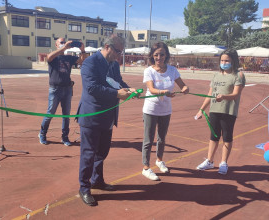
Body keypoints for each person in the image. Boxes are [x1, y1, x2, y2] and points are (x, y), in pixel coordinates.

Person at [76, 34, 138, 206]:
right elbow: (92, 87)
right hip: (91, 116)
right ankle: (84, 187)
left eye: (121, 52)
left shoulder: (113, 65)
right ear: (107, 46)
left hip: (108, 115)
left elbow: (117, 82)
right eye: (117, 51)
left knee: (102, 152)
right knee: (88, 154)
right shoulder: (90, 62)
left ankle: (97, 180)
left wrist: (128, 89)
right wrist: (117, 93)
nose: (119, 55)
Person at [141, 42, 189, 181]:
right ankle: (145, 167)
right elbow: (151, 89)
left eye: (162, 54)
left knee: (162, 138)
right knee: (148, 139)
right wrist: (164, 92)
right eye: (156, 55)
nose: (159, 57)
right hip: (151, 109)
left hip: (166, 110)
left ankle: (159, 160)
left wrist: (185, 88)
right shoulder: (149, 71)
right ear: (152, 56)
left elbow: (182, 85)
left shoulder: (172, 70)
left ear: (166, 55)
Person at [195, 49, 245, 175]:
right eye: (222, 60)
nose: (224, 62)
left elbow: (235, 95)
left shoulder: (238, 75)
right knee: (214, 136)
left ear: (233, 61)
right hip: (214, 110)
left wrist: (223, 96)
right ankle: (210, 161)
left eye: (227, 60)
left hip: (228, 111)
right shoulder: (216, 75)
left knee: (227, 137)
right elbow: (210, 94)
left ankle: (223, 162)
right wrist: (201, 110)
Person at [38, 38, 88, 146]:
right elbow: (49, 57)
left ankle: (65, 137)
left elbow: (83, 60)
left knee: (66, 115)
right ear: (56, 45)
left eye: (64, 42)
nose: (63, 44)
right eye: (61, 42)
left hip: (67, 89)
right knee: (50, 113)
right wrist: (64, 48)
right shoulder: (53, 57)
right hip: (55, 89)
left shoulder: (69, 58)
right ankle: (42, 133)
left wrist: (82, 49)